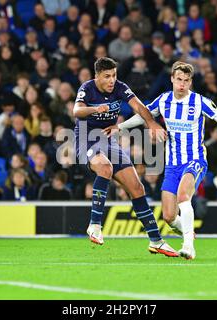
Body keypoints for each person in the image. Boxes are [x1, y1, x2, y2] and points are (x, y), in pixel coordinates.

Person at [114, 61, 217, 259]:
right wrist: (119, 128)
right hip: (172, 164)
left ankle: (188, 245)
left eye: (186, 81)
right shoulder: (163, 100)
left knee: (183, 197)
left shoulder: (199, 102)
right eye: (178, 79)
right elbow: (143, 116)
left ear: (190, 82)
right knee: (169, 217)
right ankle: (188, 231)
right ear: (172, 79)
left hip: (195, 159)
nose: (182, 84)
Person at [74, 57, 177, 257]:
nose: (111, 80)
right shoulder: (87, 88)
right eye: (107, 76)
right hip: (86, 138)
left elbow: (139, 107)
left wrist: (152, 124)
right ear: (97, 76)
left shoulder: (120, 87)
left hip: (109, 140)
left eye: (114, 75)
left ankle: (156, 240)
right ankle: (95, 224)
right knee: (105, 168)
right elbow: (76, 111)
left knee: (137, 188)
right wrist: (95, 109)